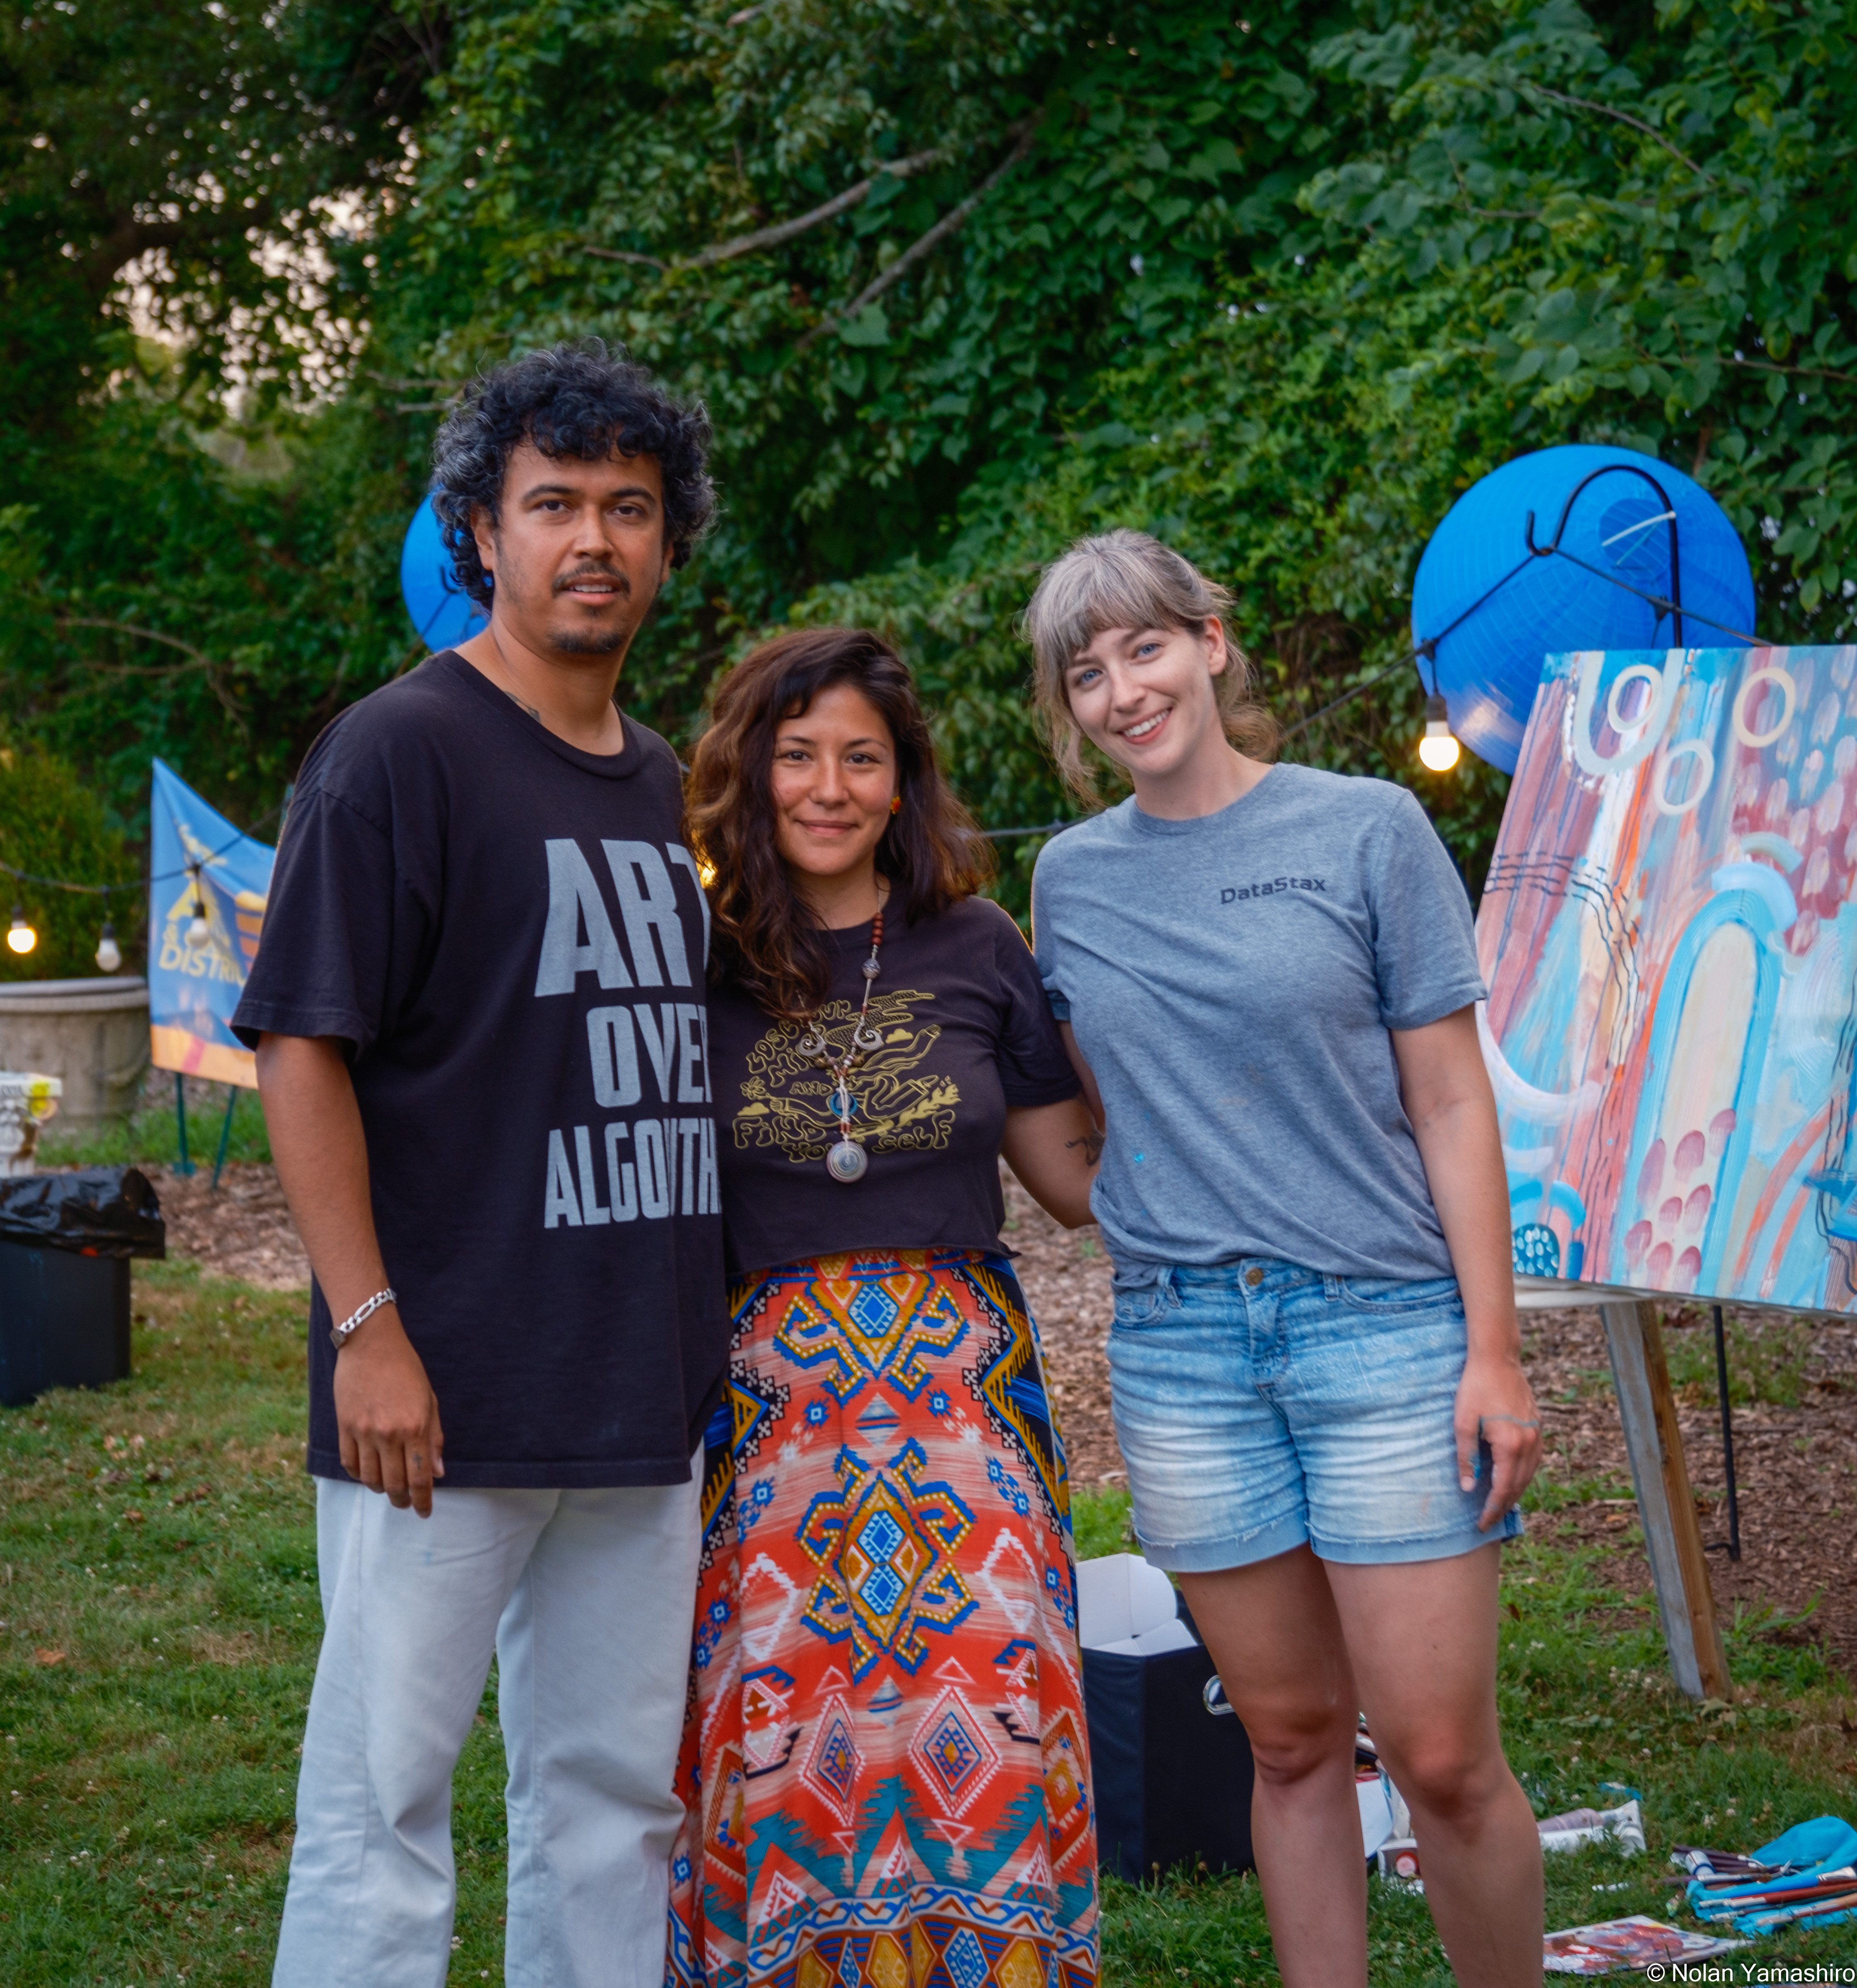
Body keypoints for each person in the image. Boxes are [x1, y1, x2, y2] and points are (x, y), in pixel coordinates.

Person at [235, 341, 728, 1988]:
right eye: (552, 505)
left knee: (608, 1809)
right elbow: (300, 1045)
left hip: (637, 1396)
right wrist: (369, 1330)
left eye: (628, 510)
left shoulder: (667, 782)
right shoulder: (399, 755)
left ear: (669, 543)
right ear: (481, 534)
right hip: (434, 1396)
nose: (593, 539)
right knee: (379, 1812)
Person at [1024, 530, 1546, 1988]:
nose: (1126, 692)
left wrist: (1492, 1352)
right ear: (1069, 712)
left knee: (1440, 1757)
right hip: (1186, 1352)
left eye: (1146, 647)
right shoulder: (1071, 881)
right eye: (1088, 673)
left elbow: (1450, 1102)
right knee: (1293, 1741)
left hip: (1387, 1331)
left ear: (1211, 639)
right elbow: (1079, 1116)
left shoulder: (1367, 829)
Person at [667, 628, 1103, 1988]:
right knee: (787, 1729)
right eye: (797, 755)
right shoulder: (698, 953)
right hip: (772, 1415)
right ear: (749, 771)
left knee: (994, 1722)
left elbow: (1074, 1181)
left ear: (904, 783)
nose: (829, 786)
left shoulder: (977, 943)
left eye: (863, 758)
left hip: (969, 1412)